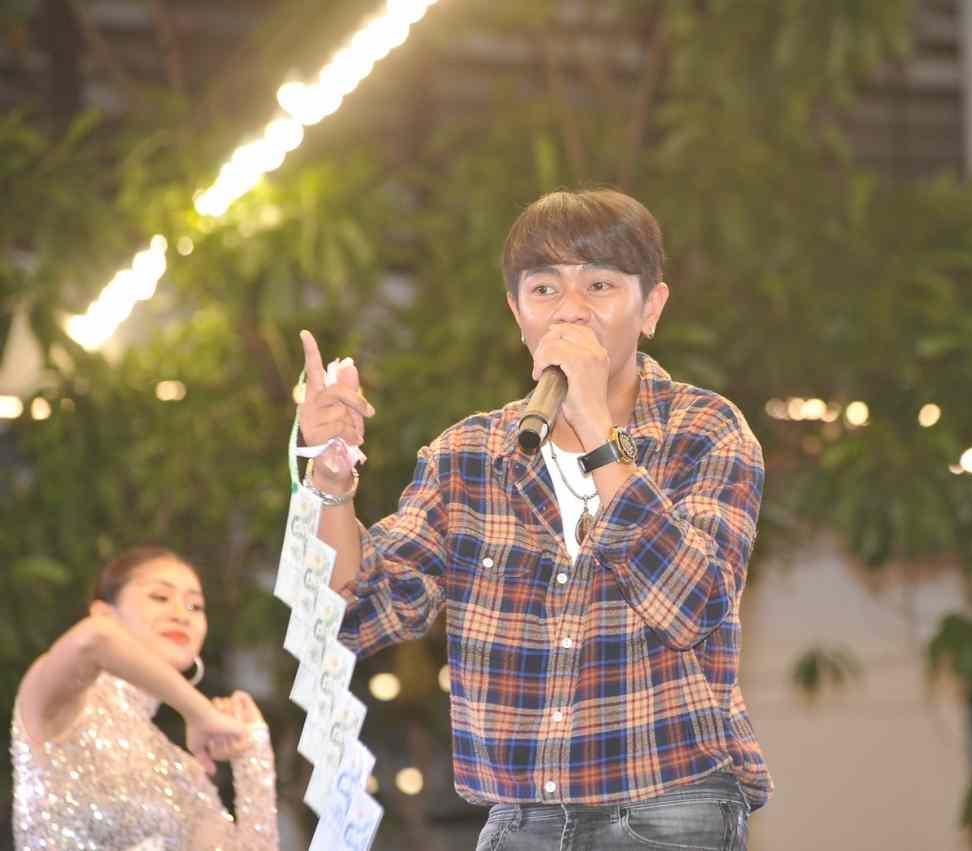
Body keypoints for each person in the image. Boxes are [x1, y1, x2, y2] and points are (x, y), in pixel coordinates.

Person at [298, 188, 769, 849]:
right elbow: (351, 613)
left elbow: (692, 603)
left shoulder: (705, 429)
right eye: (544, 288)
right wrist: (330, 478)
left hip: (668, 809)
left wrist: (595, 425)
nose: (570, 308)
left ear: (651, 307)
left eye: (599, 285)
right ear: (516, 314)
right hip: (519, 821)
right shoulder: (468, 455)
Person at [11, 546, 280, 850]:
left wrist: (252, 752)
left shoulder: (184, 774)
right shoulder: (69, 701)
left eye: (195, 606)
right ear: (105, 614)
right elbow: (95, 638)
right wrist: (200, 711)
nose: (181, 615)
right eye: (160, 597)